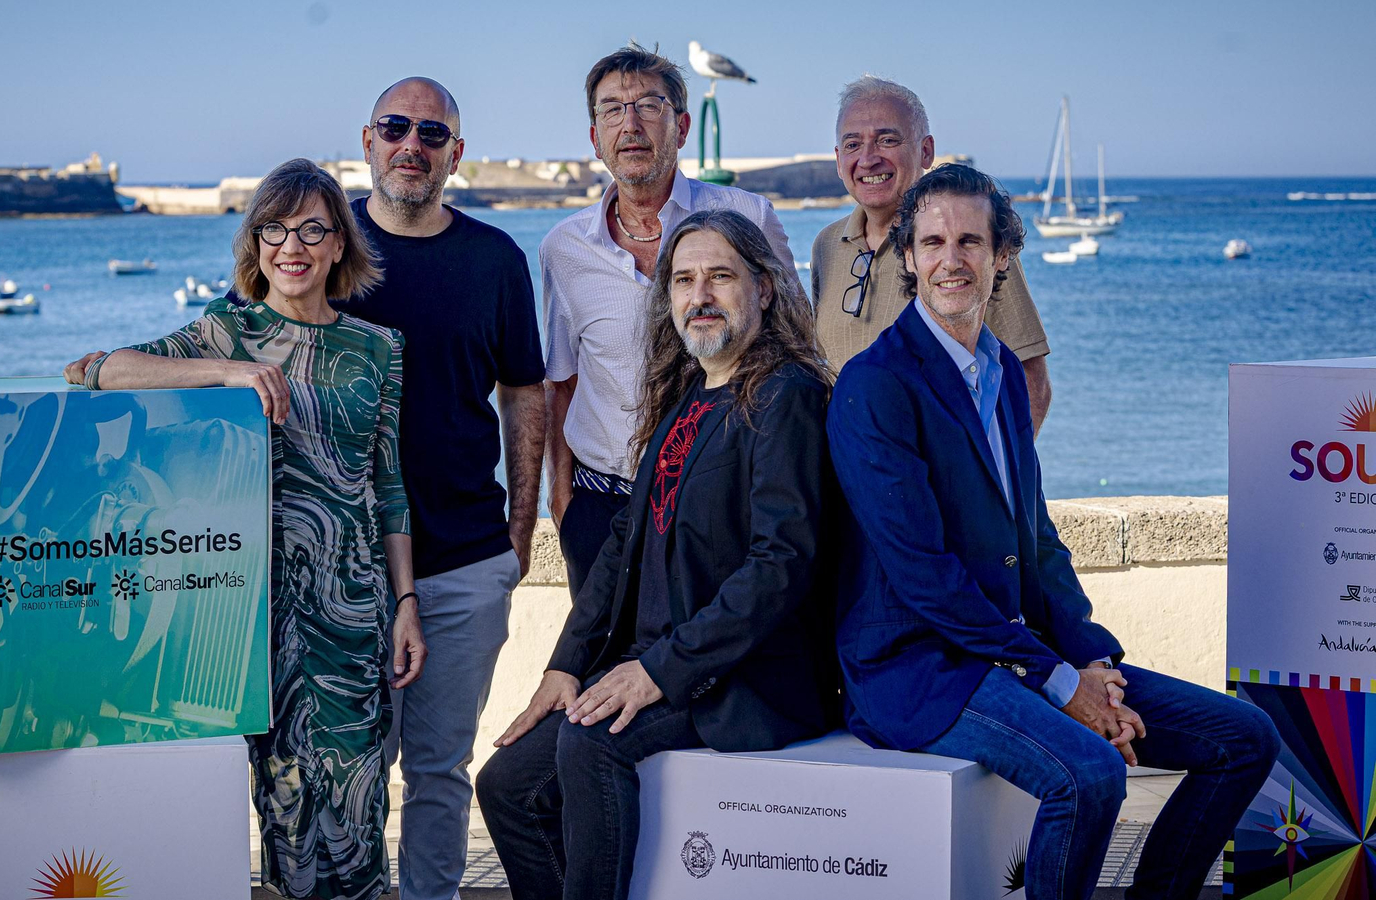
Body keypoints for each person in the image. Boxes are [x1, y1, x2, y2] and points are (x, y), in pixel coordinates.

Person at [827, 164, 1279, 900]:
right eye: (933, 241)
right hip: (920, 669)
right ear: (906, 256)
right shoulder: (875, 385)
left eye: (971, 240)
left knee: (1243, 739)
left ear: (1003, 255)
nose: (952, 260)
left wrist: (1092, 658)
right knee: (1090, 774)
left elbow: (1036, 540)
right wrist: (1061, 683)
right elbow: (922, 575)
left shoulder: (1001, 370)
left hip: (1013, 650)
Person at [66, 158, 425, 900]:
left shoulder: (379, 349)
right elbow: (94, 370)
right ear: (254, 244)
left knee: (360, 797)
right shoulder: (226, 331)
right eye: (273, 229)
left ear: (337, 246)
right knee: (285, 799)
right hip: (253, 609)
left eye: (311, 230)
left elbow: (387, 484)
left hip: (354, 610)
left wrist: (407, 603)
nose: (291, 246)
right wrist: (226, 373)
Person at [478, 209, 837, 900]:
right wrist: (565, 666)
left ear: (764, 288)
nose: (699, 295)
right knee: (506, 786)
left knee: (592, 743)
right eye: (683, 280)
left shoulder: (786, 396)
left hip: (744, 678)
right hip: (665, 663)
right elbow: (622, 545)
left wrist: (657, 673)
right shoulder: (685, 397)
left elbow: (779, 565)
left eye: (720, 277)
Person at [336, 76, 546, 900]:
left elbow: (525, 392)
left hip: (462, 562)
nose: (411, 146)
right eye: (396, 128)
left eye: (431, 134)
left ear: (455, 155)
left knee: (438, 771)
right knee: (346, 770)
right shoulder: (319, 245)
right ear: (368, 140)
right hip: (342, 571)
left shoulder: (494, 260)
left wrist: (519, 535)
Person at [541, 43, 798, 599]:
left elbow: (796, 353)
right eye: (612, 109)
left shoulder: (747, 217)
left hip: (720, 504)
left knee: (702, 674)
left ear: (681, 126)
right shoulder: (562, 248)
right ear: (594, 137)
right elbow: (561, 383)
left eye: (648, 106)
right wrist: (562, 504)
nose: (629, 123)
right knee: (600, 677)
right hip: (600, 506)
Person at [812, 75, 1054, 432]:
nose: (867, 159)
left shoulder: (965, 250)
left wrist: (991, 479)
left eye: (887, 140)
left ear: (926, 151)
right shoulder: (826, 245)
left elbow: (1030, 381)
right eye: (852, 144)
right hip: (844, 480)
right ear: (837, 159)